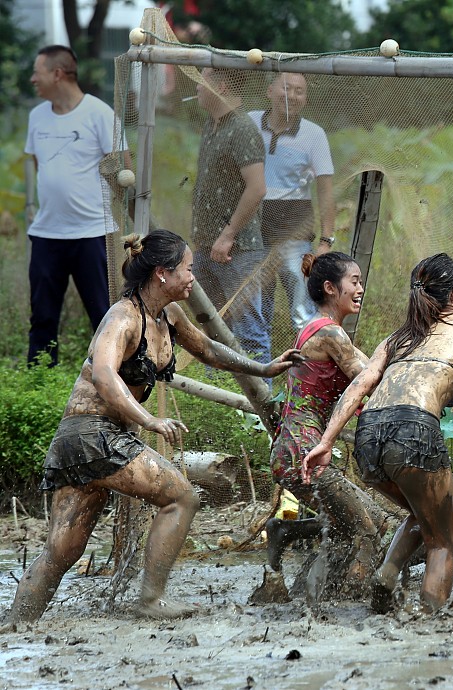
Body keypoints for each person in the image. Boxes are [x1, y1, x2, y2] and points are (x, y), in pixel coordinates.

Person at [0, 230, 304, 628]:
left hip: (86, 442)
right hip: (91, 435)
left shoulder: (169, 315)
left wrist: (263, 367)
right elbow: (105, 376)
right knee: (183, 497)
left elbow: (209, 350)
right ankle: (151, 599)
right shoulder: (122, 317)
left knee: (62, 551)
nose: (194, 278)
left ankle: (14, 626)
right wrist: (149, 420)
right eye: (188, 270)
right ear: (162, 273)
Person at [302, 254, 453, 614]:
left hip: (369, 435)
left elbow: (362, 382)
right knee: (443, 541)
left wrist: (326, 441)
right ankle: (429, 623)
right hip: (413, 431)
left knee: (423, 513)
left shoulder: (398, 337)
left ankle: (386, 574)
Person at [266, 251, 386, 586]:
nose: (360, 288)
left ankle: (289, 534)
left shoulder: (321, 330)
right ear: (332, 288)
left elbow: (375, 367)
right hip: (303, 453)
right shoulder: (331, 335)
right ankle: (347, 594)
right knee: (367, 528)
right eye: (354, 281)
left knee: (374, 518)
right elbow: (368, 380)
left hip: (293, 449)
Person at [25, 45, 131, 366]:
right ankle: (40, 377)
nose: (32, 79)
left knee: (102, 316)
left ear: (57, 74)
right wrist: (31, 203)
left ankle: (113, 376)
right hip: (47, 235)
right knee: (42, 317)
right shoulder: (36, 116)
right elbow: (33, 161)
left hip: (92, 233)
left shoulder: (99, 114)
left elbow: (123, 167)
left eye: (37, 72)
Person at [249, 72, 337, 334]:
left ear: (305, 98)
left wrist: (325, 242)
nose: (291, 96)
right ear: (270, 91)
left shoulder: (314, 135)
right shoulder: (250, 122)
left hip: (294, 238)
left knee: (302, 313)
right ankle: (257, 373)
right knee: (255, 314)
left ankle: (307, 373)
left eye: (299, 91)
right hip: (252, 237)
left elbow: (326, 191)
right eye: (286, 88)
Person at [192, 67, 269, 363]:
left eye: (203, 81)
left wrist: (227, 235)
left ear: (222, 86)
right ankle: (222, 398)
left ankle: (261, 405)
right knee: (211, 328)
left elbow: (257, 188)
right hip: (206, 248)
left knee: (248, 330)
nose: (197, 87)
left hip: (238, 250)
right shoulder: (211, 125)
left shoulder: (242, 128)